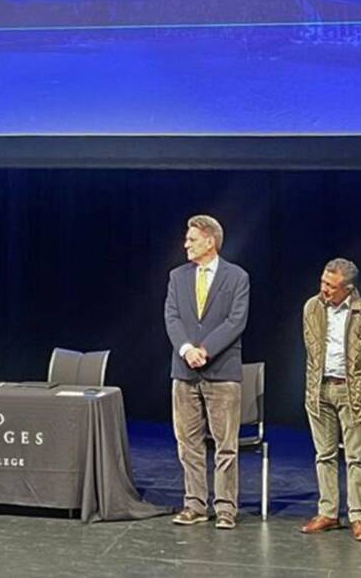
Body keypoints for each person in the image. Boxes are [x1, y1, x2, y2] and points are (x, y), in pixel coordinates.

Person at [163, 214, 250, 529]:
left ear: (210, 241)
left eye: (192, 239)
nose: (186, 244)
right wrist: (187, 349)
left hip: (222, 371)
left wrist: (206, 350)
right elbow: (172, 317)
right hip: (184, 371)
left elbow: (235, 321)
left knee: (225, 445)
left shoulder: (237, 277)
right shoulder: (177, 277)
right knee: (188, 443)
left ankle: (226, 508)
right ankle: (195, 505)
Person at [300, 258, 361, 542]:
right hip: (319, 390)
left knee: (355, 457)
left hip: (351, 392)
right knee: (324, 454)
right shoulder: (312, 308)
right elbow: (311, 348)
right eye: (323, 283)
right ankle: (328, 512)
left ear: (348, 289)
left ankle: (358, 515)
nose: (324, 290)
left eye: (331, 286)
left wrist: (358, 378)